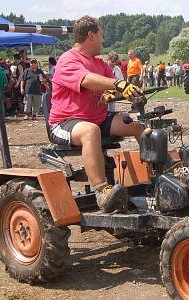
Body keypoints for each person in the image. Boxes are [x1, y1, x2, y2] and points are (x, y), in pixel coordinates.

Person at [49, 15, 143, 213]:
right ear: (91, 36)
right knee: (90, 131)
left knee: (137, 123)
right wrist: (117, 84)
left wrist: (114, 92)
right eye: (101, 35)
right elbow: (87, 80)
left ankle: (158, 174)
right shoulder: (68, 60)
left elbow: (111, 85)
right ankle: (102, 191)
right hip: (65, 123)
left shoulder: (99, 63)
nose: (103, 39)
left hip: (97, 119)